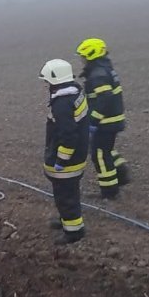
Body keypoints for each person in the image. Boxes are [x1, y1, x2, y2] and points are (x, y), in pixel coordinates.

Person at [39, 59, 90, 244]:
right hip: (77, 155)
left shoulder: (62, 103)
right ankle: (66, 220)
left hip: (67, 161)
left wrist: (61, 159)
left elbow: (68, 136)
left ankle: (74, 232)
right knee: (68, 192)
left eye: (47, 81)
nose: (46, 84)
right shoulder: (75, 94)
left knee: (65, 196)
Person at [76, 38, 129, 199]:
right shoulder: (104, 69)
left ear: (91, 55)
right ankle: (121, 171)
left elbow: (104, 98)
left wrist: (93, 120)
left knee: (100, 155)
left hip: (106, 122)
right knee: (105, 149)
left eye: (83, 56)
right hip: (112, 119)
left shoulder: (98, 74)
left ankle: (110, 192)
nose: (81, 59)